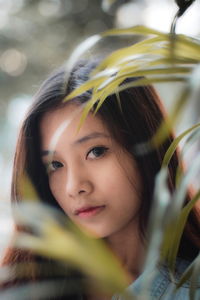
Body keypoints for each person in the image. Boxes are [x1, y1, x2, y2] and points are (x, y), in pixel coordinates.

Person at [1, 60, 200, 300]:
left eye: (96, 152)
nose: (74, 187)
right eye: (55, 165)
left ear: (146, 149)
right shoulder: (22, 288)